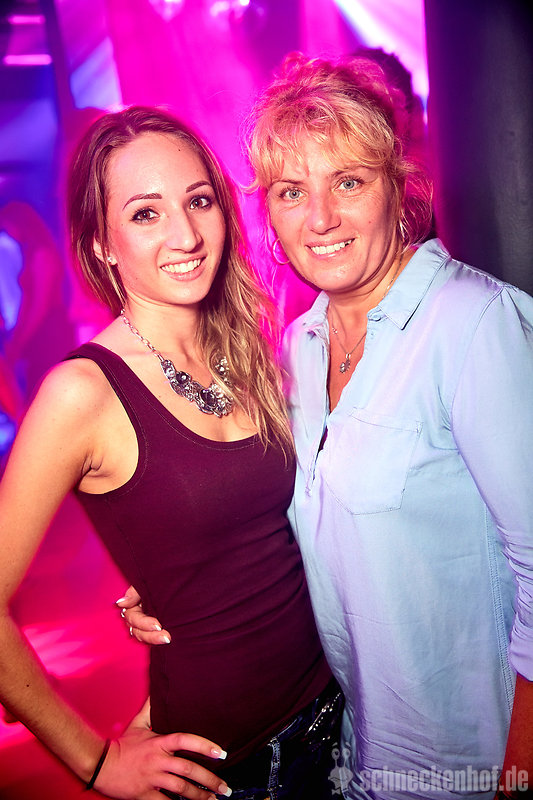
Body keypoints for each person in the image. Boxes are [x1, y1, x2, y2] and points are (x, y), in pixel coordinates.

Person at [123, 55, 533, 799]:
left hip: (467, 762)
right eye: (291, 192)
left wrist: (520, 771)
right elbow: (291, 529)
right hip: (350, 751)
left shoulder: (472, 323)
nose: (320, 219)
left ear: (397, 187)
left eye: (348, 182)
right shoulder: (296, 349)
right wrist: (182, 580)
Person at [0, 105, 341, 800]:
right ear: (102, 244)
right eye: (145, 214)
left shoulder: (247, 347)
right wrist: (96, 763)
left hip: (336, 715)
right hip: (228, 770)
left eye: (199, 201)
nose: (185, 235)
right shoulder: (81, 393)